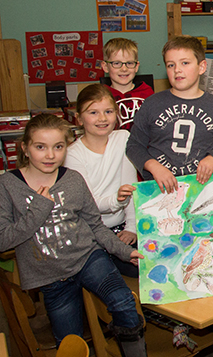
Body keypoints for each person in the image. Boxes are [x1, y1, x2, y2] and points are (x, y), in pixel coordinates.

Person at [0, 114, 146, 355]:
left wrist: (124, 251)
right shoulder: (8, 184)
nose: (50, 155)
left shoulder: (73, 180)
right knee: (70, 343)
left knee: (124, 302)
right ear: (25, 149)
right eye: (40, 147)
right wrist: (38, 208)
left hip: (88, 259)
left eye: (58, 147)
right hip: (50, 275)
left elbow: (96, 226)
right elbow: (4, 239)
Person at [125, 36, 213, 193]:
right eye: (171, 65)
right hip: (159, 189)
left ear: (202, 67)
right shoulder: (152, 104)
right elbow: (134, 146)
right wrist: (154, 167)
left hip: (201, 188)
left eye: (185, 63)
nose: (177, 70)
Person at [65, 84, 139, 277]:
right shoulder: (73, 155)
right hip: (91, 235)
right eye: (93, 112)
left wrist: (131, 228)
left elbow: (132, 188)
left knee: (148, 264)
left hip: (121, 227)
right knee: (111, 275)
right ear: (79, 118)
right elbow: (88, 205)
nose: (102, 118)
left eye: (108, 111)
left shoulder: (123, 138)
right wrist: (117, 199)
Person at [101, 38, 153, 131]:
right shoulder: (101, 95)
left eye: (129, 63)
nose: (124, 69)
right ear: (105, 67)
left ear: (136, 66)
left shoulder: (147, 93)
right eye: (116, 63)